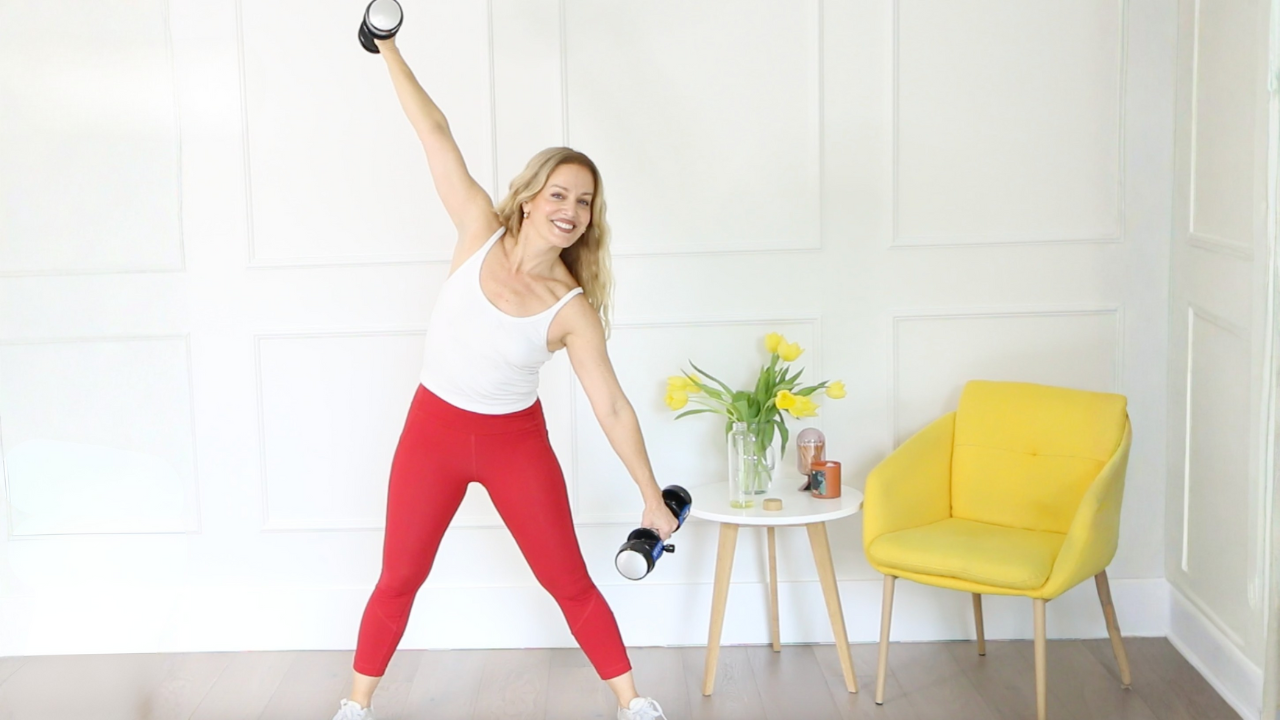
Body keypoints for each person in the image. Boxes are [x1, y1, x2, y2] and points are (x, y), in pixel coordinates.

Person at [330, 31, 677, 720]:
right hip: (432, 432)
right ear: (529, 199)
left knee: (567, 580)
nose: (570, 211)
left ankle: (633, 704)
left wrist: (650, 495)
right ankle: (356, 707)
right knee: (400, 577)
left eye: (584, 203)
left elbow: (611, 407)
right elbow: (435, 132)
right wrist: (387, 47)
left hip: (514, 444)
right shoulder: (477, 228)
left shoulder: (571, 309)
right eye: (559, 194)